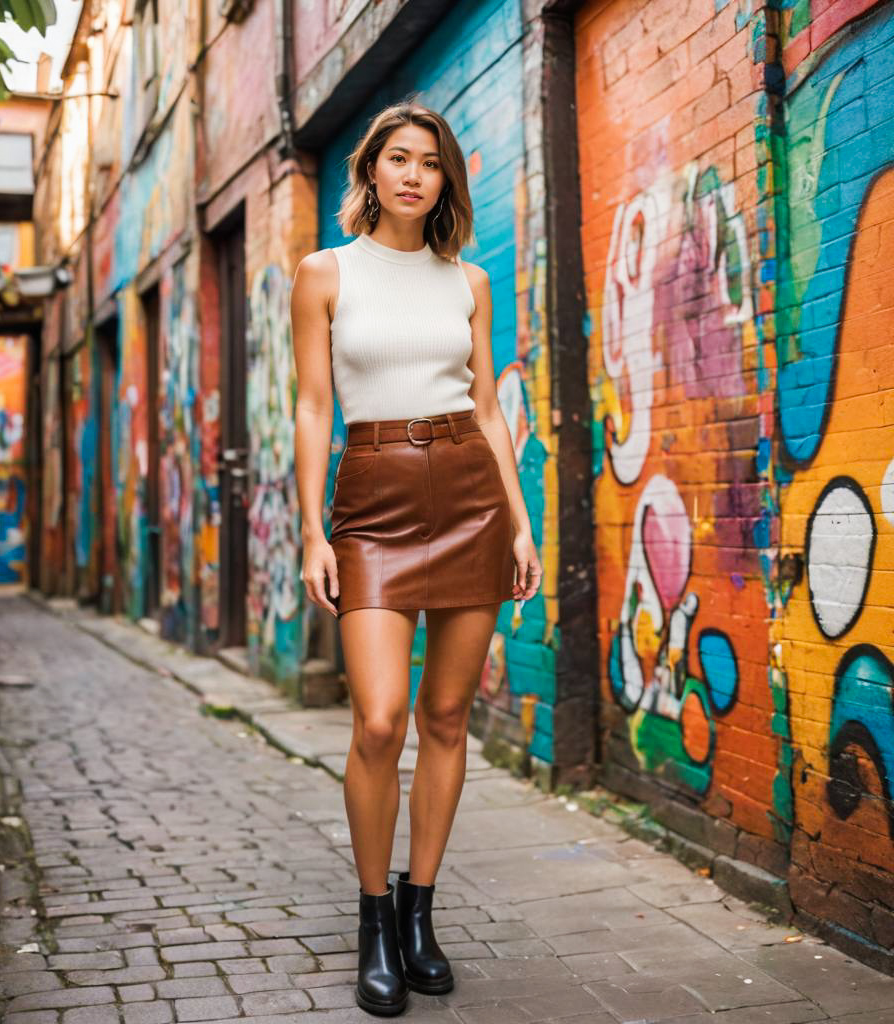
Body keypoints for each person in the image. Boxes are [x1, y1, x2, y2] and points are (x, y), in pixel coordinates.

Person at [290, 99, 542, 1016]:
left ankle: (420, 914)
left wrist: (520, 522)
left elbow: (487, 410)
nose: (411, 174)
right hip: (370, 498)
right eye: (396, 158)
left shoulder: (469, 283)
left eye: (428, 163)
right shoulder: (324, 273)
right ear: (370, 170)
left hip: (470, 495)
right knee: (380, 719)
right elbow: (316, 407)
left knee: (445, 717)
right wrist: (312, 528)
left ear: (444, 181)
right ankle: (371, 919)